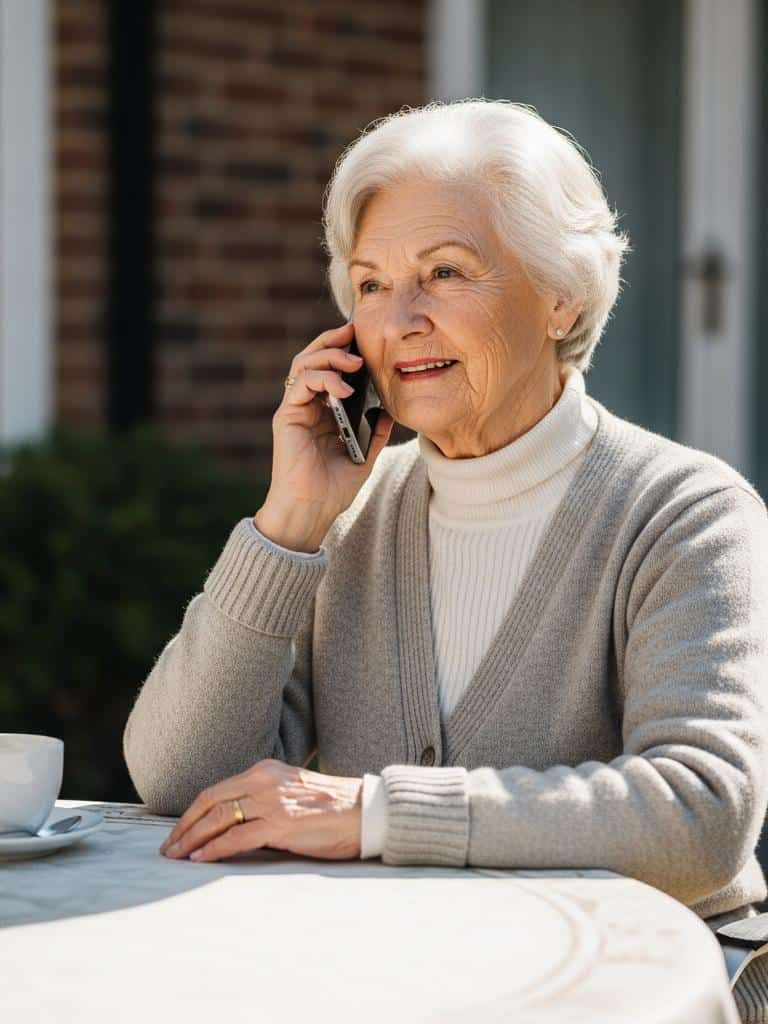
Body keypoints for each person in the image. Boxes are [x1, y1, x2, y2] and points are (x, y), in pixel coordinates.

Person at [122, 99, 768, 1019]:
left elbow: (699, 811)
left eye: (445, 273)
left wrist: (376, 814)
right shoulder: (350, 519)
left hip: (642, 993)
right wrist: (290, 521)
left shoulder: (685, 514)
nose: (402, 319)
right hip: (402, 984)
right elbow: (178, 782)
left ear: (561, 297)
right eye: (372, 284)